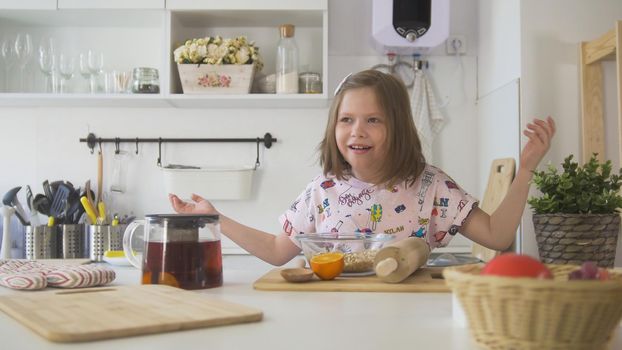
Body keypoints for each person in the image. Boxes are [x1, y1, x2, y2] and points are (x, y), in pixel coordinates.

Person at [169, 70, 556, 266]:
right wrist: (213, 218)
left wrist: (525, 172)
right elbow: (275, 250)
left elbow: (498, 233)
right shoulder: (321, 191)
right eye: (346, 120)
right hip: (335, 322)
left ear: (398, 126)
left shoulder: (432, 186)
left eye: (373, 120)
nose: (357, 131)